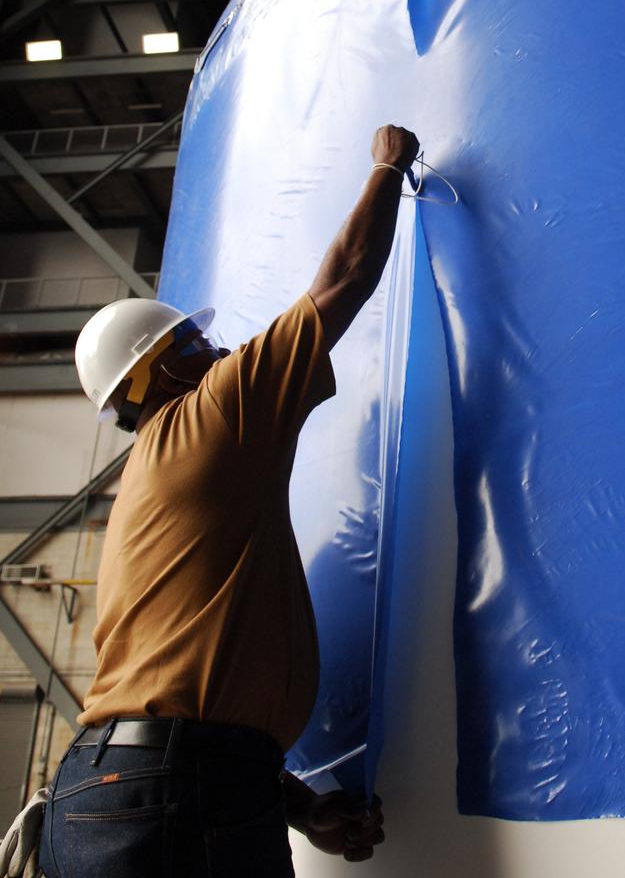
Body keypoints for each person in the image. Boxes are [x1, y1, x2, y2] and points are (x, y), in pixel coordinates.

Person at [9, 124, 420, 878]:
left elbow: (186, 689)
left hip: (129, 793)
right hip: (172, 797)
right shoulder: (211, 415)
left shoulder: (148, 485)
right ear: (160, 374)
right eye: (196, 344)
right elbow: (343, 281)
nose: (221, 348)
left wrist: (294, 807)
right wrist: (389, 168)